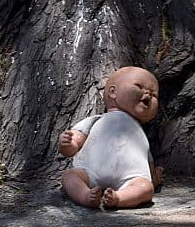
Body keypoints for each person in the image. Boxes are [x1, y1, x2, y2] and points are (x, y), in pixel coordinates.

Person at [58, 66, 164, 209]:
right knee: (70, 177)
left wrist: (153, 178)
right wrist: (68, 143)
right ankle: (85, 195)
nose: (148, 94)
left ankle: (119, 198)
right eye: (139, 86)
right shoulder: (96, 120)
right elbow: (75, 144)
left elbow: (145, 157)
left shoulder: (139, 132)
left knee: (146, 187)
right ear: (113, 92)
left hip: (130, 178)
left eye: (154, 94)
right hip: (90, 172)